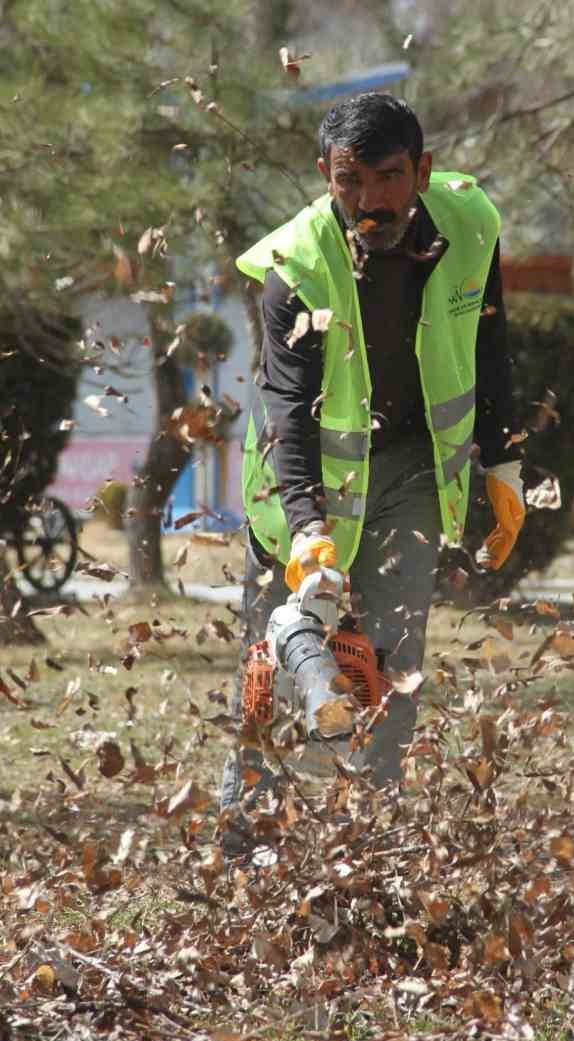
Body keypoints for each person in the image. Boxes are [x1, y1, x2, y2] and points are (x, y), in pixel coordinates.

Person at [218, 92, 524, 848]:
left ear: (421, 171)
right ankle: (240, 841)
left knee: (390, 661)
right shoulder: (296, 265)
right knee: (274, 664)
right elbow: (286, 406)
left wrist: (506, 460)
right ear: (326, 173)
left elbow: (489, 341)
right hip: (303, 487)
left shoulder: (471, 227)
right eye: (350, 180)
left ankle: (371, 841)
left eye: (388, 177)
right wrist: (306, 530)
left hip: (414, 472)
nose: (370, 201)